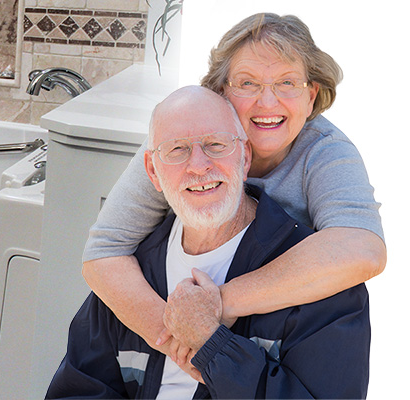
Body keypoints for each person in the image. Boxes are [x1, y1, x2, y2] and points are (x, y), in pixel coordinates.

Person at [82, 13, 385, 366]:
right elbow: (104, 252)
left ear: (311, 95)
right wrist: (178, 342)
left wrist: (218, 304)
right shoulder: (176, 143)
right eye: (248, 83)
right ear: (220, 91)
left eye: (287, 83)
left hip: (277, 342)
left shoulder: (326, 151)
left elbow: (364, 248)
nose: (268, 103)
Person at [46, 86, 370, 399]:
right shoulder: (131, 276)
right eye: (177, 149)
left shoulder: (320, 282)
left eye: (216, 145)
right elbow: (77, 390)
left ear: (244, 158)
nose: (198, 165)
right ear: (152, 172)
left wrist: (213, 347)